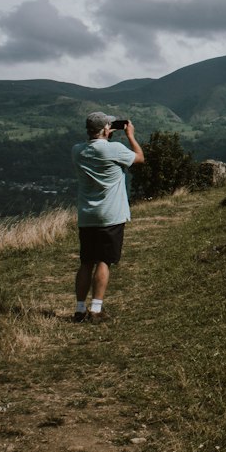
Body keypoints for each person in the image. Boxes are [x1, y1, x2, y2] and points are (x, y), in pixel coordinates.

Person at [72, 113, 144, 324]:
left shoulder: (77, 151)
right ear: (105, 129)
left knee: (86, 262)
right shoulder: (115, 150)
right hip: (110, 215)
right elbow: (140, 158)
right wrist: (130, 135)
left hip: (87, 215)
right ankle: (96, 309)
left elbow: (94, 145)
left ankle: (79, 308)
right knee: (103, 261)